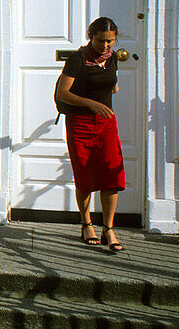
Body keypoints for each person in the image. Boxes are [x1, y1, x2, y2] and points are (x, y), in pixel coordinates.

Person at [54, 17, 126, 251]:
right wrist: (90, 103)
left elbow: (113, 84)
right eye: (100, 41)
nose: (105, 46)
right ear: (90, 37)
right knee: (84, 173)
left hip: (106, 123)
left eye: (110, 41)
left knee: (111, 174)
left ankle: (109, 228)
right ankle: (86, 224)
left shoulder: (112, 58)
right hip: (80, 123)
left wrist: (110, 87)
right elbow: (63, 93)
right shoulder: (77, 59)